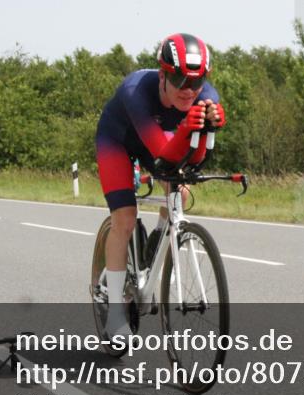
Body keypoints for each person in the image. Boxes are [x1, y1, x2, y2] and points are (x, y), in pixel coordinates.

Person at [94, 32, 225, 337]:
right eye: (179, 79)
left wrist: (206, 132)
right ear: (163, 74)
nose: (187, 89)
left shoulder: (208, 97)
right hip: (119, 142)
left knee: (181, 192)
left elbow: (189, 159)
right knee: (124, 220)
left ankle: (156, 241)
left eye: (196, 81)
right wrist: (188, 132)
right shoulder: (135, 90)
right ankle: (115, 311)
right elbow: (163, 154)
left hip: (161, 142)